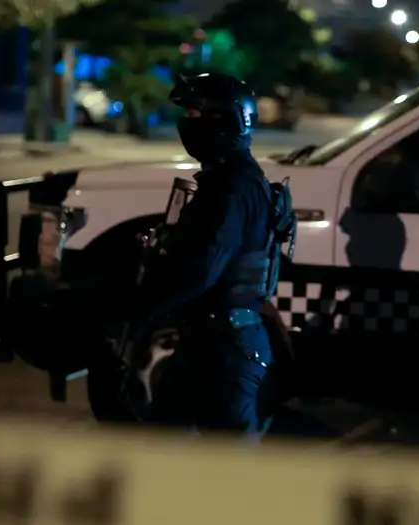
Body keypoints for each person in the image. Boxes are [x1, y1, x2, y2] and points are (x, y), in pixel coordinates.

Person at [122, 73, 293, 442]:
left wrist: (140, 314)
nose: (188, 124)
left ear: (224, 120)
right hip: (207, 341)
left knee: (228, 477)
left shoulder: (232, 187)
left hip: (226, 350)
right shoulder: (233, 178)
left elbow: (202, 270)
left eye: (196, 114)